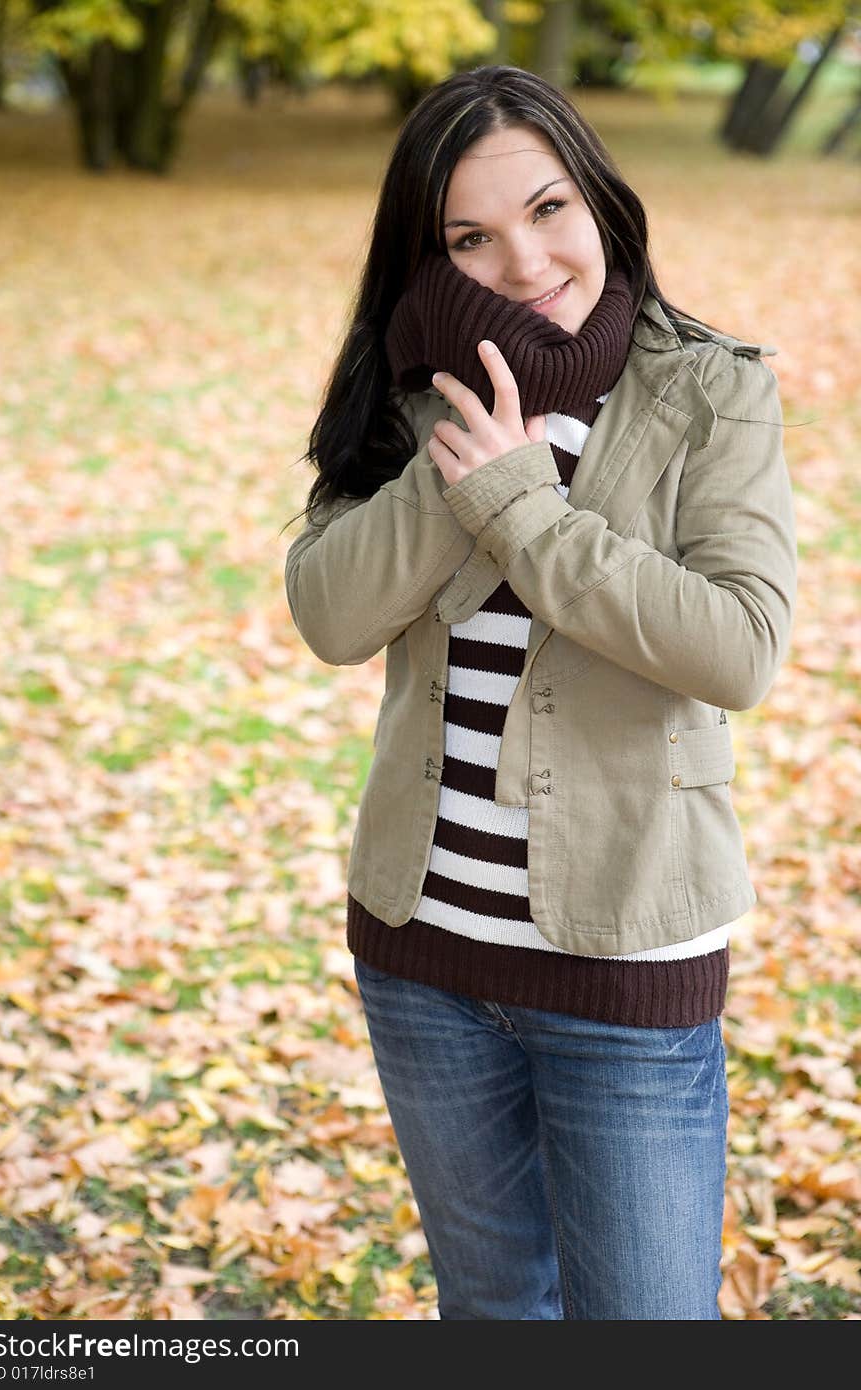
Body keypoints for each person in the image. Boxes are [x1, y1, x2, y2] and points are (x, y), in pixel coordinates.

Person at [283, 64, 797, 1320]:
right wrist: (453, 462)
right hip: (423, 955)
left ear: (603, 205)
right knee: (495, 1312)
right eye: (471, 236)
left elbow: (739, 646)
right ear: (432, 253)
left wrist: (523, 508)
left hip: (623, 960)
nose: (523, 261)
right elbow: (330, 614)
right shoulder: (417, 391)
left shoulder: (709, 387)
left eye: (549, 208)